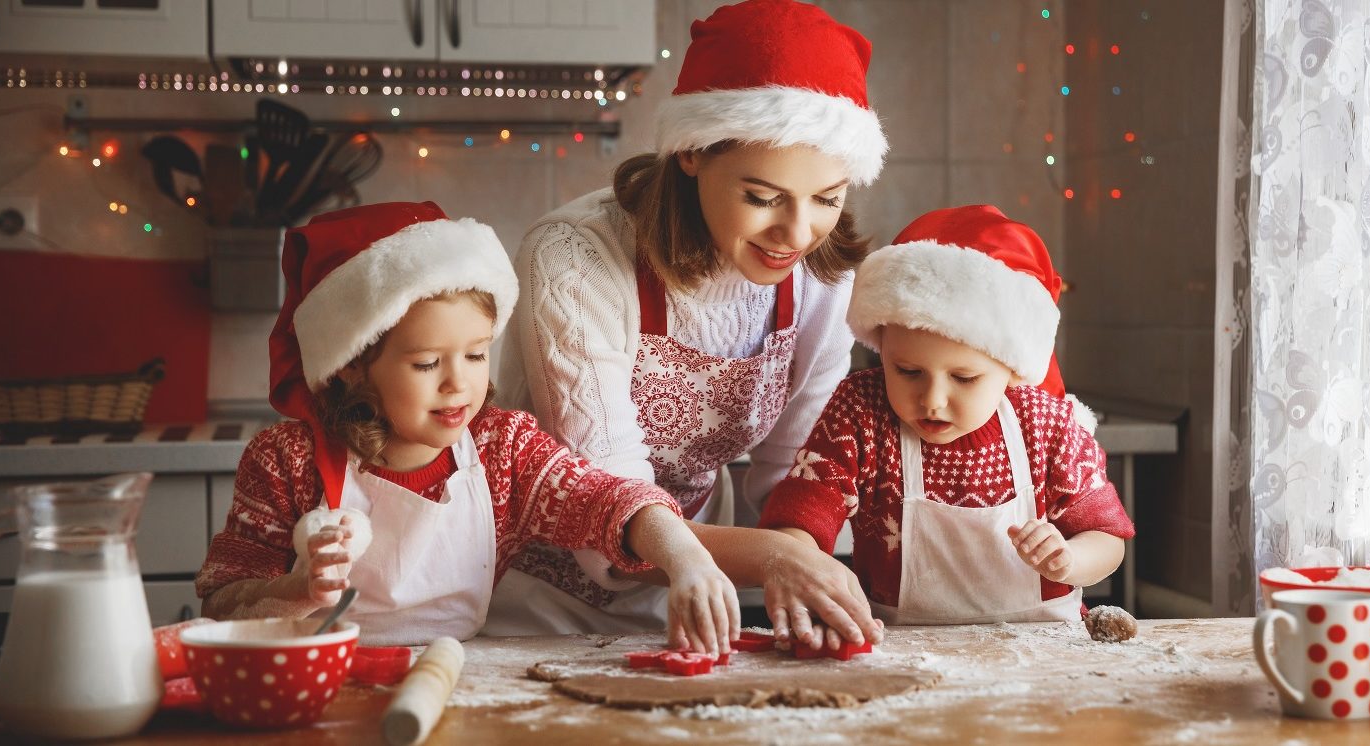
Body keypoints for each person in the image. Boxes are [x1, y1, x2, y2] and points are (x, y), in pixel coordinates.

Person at [486, 0, 888, 636]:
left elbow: (797, 469)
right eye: (762, 197)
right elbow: (604, 497)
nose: (797, 232)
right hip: (527, 591)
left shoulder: (815, 276)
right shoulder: (576, 257)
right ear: (691, 153)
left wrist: (803, 565)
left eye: (827, 200)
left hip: (692, 586)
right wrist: (775, 556)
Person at [196, 202, 739, 653]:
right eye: (428, 364)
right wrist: (296, 589)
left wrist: (684, 556)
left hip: (455, 681)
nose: (459, 384)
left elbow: (607, 502)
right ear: (352, 364)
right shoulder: (286, 460)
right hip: (323, 686)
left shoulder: (502, 449)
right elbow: (222, 598)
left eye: (476, 355)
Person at [753, 205, 1135, 648]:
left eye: (964, 378)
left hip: (1042, 651)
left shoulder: (1048, 425)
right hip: (897, 651)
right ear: (882, 349)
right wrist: (793, 560)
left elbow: (1107, 540)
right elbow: (805, 509)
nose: (932, 400)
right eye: (907, 371)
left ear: (1011, 370)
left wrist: (1069, 559)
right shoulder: (862, 411)